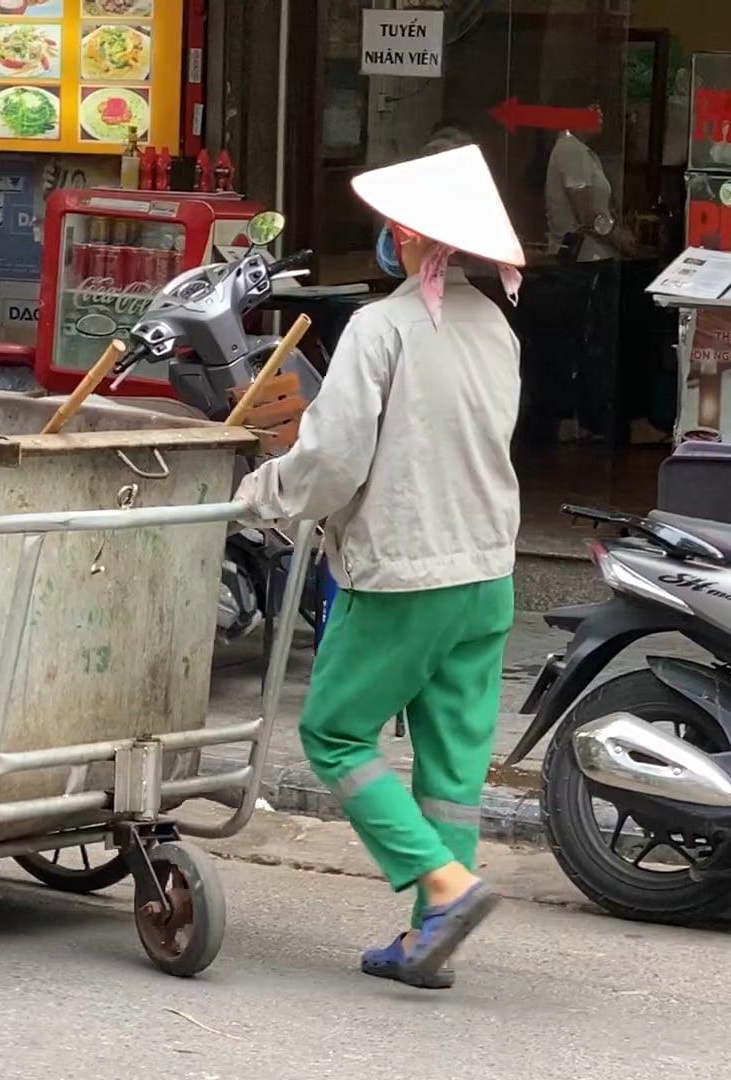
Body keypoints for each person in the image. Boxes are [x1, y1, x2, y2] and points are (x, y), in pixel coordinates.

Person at [237, 136, 524, 989]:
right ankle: (431, 933)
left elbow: (331, 462)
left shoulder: (381, 326)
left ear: (403, 236)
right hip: (487, 574)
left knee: (332, 732)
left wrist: (263, 492)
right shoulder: (495, 328)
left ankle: (444, 884)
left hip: (404, 571)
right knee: (454, 772)